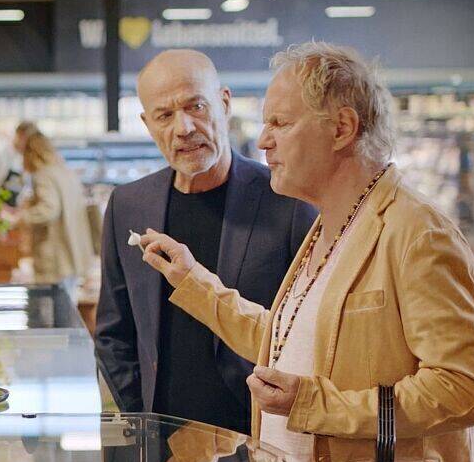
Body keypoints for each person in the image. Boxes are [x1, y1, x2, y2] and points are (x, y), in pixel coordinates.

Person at [140, 42, 474, 462]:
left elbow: (467, 388)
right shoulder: (332, 222)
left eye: (280, 123)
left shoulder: (418, 233)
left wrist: (314, 405)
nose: (264, 140)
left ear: (343, 128)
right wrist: (193, 281)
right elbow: (291, 340)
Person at [96, 49, 315, 435]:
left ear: (224, 103)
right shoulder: (128, 205)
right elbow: (115, 332)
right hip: (162, 440)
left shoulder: (288, 200)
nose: (183, 127)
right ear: (148, 125)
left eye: (196, 106)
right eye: (165, 115)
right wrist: (144, 417)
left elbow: (307, 333)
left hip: (258, 436)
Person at [13, 130, 95, 300]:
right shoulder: (65, 172)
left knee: (54, 313)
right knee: (68, 308)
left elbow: (49, 209)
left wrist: (21, 217)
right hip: (72, 253)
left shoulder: (43, 175)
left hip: (55, 256)